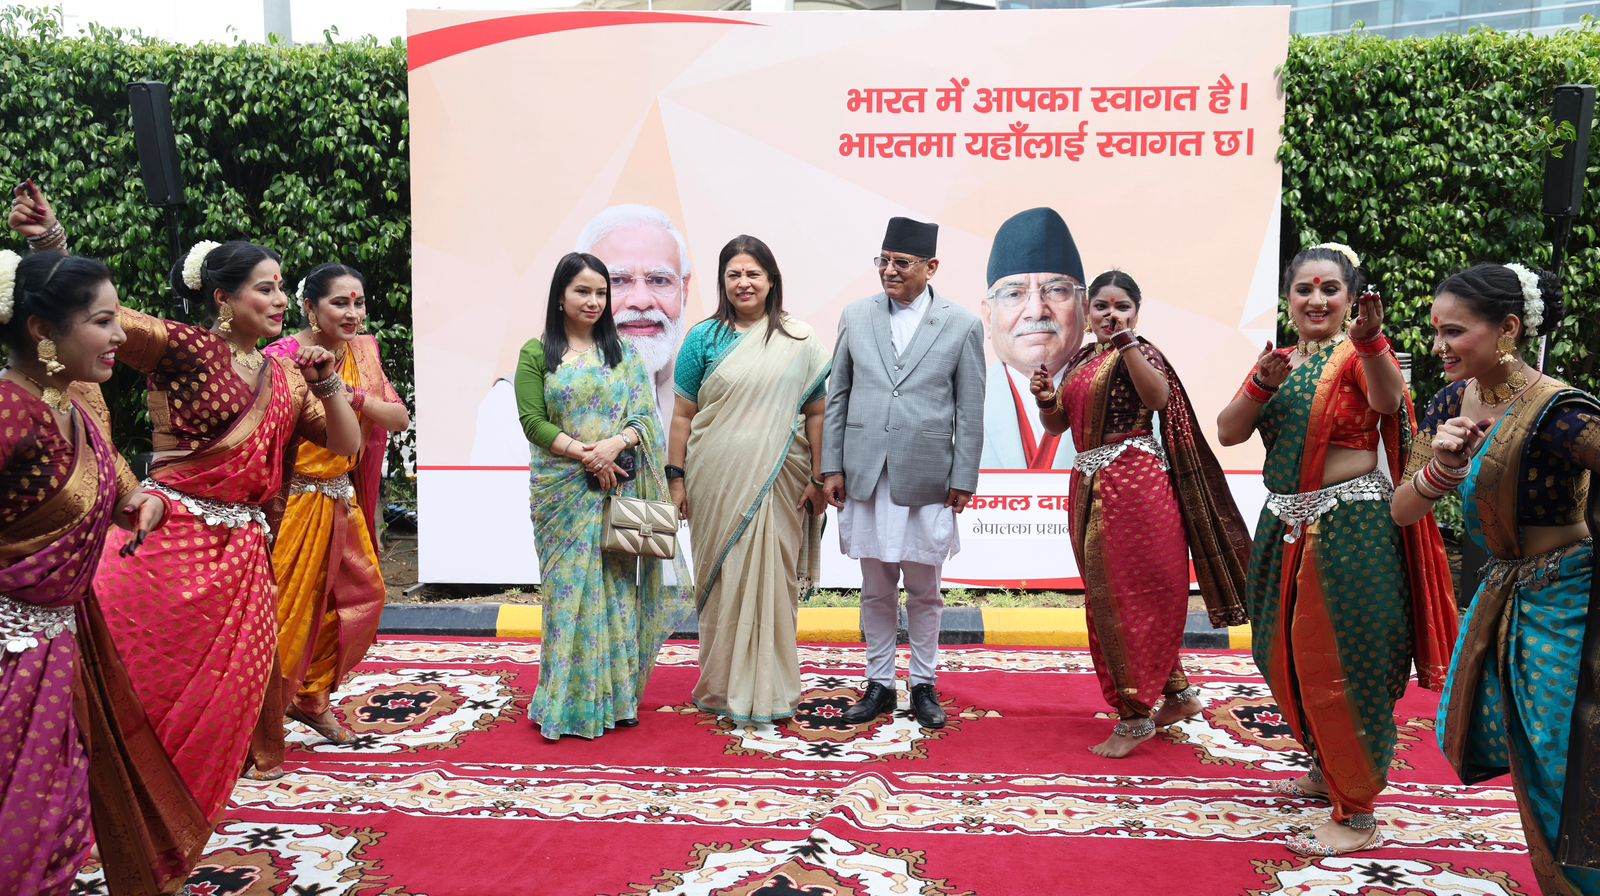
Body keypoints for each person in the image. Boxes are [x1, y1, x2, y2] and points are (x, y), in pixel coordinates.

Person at [30, 186, 365, 822]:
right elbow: (104, 317)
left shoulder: (287, 375)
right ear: (222, 298)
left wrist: (328, 384)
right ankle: (133, 794)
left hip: (246, 549)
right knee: (155, 675)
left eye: (280, 288)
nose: (277, 300)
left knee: (238, 682)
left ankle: (201, 800)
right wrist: (51, 244)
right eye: (263, 289)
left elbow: (345, 446)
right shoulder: (182, 347)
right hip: (173, 537)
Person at [1216, 242, 1456, 856]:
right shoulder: (1280, 361)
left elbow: (1386, 402)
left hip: (1351, 526)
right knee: (1280, 653)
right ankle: (1327, 766)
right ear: (1288, 298)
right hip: (1283, 526)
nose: (1316, 300)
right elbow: (1229, 431)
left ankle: (1357, 811)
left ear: (1351, 299)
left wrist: (1372, 342)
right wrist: (1259, 384)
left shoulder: (1359, 354)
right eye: (1304, 289)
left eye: (1330, 289)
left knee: (1350, 660)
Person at [0, 192, 210, 895]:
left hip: (60, 645)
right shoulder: (11, 411)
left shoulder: (67, 400)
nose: (120, 334)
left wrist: (137, 500)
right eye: (102, 321)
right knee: (24, 826)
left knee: (55, 816)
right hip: (12, 656)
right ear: (42, 331)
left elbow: (108, 471)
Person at [1391, 263, 1599, 895]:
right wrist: (1442, 468)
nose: (1439, 345)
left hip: (1570, 599)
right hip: (1505, 592)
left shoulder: (1561, 412)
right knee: (1531, 755)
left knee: (1564, 757)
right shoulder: (1447, 404)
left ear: (1508, 328)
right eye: (1435, 331)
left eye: (1454, 331)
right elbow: (1403, 507)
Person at [1033, 270, 1251, 758]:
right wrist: (1046, 399)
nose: (1111, 315)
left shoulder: (1141, 352)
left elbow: (1157, 399)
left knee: (1125, 599)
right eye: (1102, 306)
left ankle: (1134, 717)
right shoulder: (1083, 358)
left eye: (1122, 307)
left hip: (1132, 486)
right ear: (1087, 311)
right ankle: (1178, 694)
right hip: (1090, 483)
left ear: (1136, 312)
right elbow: (1058, 425)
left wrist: (1128, 344)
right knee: (1112, 593)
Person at [515, 251, 690, 740]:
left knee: (615, 595)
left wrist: (615, 444)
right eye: (582, 291)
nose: (593, 301)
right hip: (561, 494)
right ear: (560, 296)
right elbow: (532, 421)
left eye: (599, 292)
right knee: (567, 596)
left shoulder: (624, 355)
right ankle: (565, 704)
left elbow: (645, 418)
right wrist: (585, 454)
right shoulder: (537, 353)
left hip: (615, 489)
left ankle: (616, 701)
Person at [820, 216, 985, 730]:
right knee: (875, 586)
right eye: (884, 261)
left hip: (927, 477)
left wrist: (964, 477)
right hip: (865, 473)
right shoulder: (856, 315)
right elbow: (838, 395)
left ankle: (923, 683)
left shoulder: (962, 325)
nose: (889, 271)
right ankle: (879, 683)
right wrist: (831, 465)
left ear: (931, 267)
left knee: (924, 588)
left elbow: (970, 408)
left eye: (902, 263)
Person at [249, 263, 410, 773]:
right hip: (294, 502)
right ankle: (254, 728)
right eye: (340, 302)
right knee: (288, 616)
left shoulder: (363, 352)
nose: (353, 313)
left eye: (358, 302)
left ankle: (310, 696)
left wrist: (347, 391)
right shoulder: (281, 358)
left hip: (342, 496)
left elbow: (398, 417)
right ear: (310, 308)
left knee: (364, 599)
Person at [667, 235, 831, 724]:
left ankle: (773, 689)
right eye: (734, 274)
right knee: (722, 581)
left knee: (773, 583)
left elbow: (817, 414)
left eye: (753, 274)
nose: (744, 283)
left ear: (771, 280)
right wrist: (676, 479)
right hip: (713, 481)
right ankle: (721, 687)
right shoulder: (702, 338)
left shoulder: (799, 340)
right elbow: (682, 416)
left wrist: (819, 477)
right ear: (722, 282)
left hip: (782, 481)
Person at [472, 204, 692, 464]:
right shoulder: (508, 402)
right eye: (617, 281)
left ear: (684, 290)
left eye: (659, 280)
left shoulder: (702, 393)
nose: (641, 301)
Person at [981, 207, 1086, 470]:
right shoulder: (948, 406)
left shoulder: (1136, 402)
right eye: (1014, 294)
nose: (1037, 311)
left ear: (1084, 307)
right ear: (988, 316)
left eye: (1057, 290)